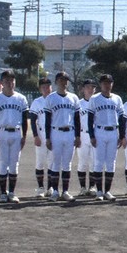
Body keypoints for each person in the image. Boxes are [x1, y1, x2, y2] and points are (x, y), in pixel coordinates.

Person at [0, 69, 29, 203]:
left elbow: (24, 119)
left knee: (14, 164)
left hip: (16, 133)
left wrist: (24, 136)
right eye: (6, 80)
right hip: (2, 132)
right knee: (2, 163)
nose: (10, 83)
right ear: (2, 82)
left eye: (12, 80)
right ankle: (3, 192)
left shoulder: (21, 98)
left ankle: (11, 192)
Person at [43, 71, 81, 201]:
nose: (63, 82)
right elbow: (47, 120)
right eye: (61, 80)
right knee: (55, 163)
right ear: (56, 81)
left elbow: (77, 119)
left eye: (65, 80)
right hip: (56, 132)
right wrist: (47, 138)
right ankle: (54, 192)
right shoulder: (51, 98)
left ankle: (65, 191)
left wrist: (78, 136)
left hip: (70, 132)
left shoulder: (74, 98)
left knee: (67, 164)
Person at [88, 73, 125, 201]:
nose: (107, 85)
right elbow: (90, 118)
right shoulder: (94, 98)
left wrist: (122, 135)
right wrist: (91, 135)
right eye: (104, 82)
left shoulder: (117, 99)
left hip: (113, 132)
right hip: (99, 131)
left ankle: (107, 191)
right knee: (98, 162)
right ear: (100, 84)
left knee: (111, 163)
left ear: (112, 84)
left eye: (109, 82)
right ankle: (99, 191)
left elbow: (121, 117)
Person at [29, 77, 53, 197]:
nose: (46, 89)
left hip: (53, 134)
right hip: (41, 133)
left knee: (51, 162)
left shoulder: (55, 99)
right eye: (43, 87)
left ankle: (50, 188)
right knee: (40, 162)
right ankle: (40, 188)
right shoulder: (37, 102)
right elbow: (33, 121)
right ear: (40, 89)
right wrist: (35, 136)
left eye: (48, 86)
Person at [76, 78, 97, 196]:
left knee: (94, 162)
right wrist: (76, 136)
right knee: (82, 162)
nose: (90, 89)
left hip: (95, 134)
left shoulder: (98, 102)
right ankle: (83, 187)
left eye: (92, 87)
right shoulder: (78, 104)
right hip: (83, 134)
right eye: (88, 87)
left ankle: (92, 187)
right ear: (83, 89)